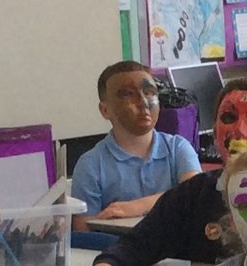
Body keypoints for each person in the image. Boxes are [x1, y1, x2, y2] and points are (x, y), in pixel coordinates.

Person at [66, 75, 247, 266]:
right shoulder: (193, 193)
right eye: (228, 118)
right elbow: (138, 243)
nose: (239, 131)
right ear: (215, 134)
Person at [69, 61, 202, 220]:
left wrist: (136, 207)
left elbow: (195, 195)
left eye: (150, 92)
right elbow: (84, 232)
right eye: (127, 94)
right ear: (105, 110)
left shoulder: (178, 148)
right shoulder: (90, 165)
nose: (143, 102)